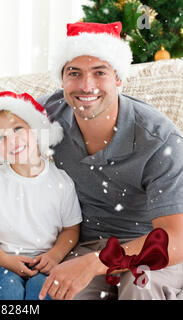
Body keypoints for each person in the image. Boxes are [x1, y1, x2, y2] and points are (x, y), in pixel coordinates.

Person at [37, 22, 183, 300]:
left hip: (149, 247)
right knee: (64, 293)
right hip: (89, 244)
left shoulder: (160, 140)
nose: (86, 85)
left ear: (118, 78)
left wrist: (98, 262)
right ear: (63, 80)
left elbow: (176, 237)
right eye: (74, 73)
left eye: (99, 72)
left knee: (140, 286)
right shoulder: (52, 112)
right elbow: (2, 107)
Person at [0, 91, 82, 300]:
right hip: (1, 261)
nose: (12, 141)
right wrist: (6, 260)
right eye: (2, 137)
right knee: (8, 292)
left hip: (45, 260)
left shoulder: (61, 182)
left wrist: (54, 255)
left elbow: (71, 230)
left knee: (42, 292)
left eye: (17, 129)